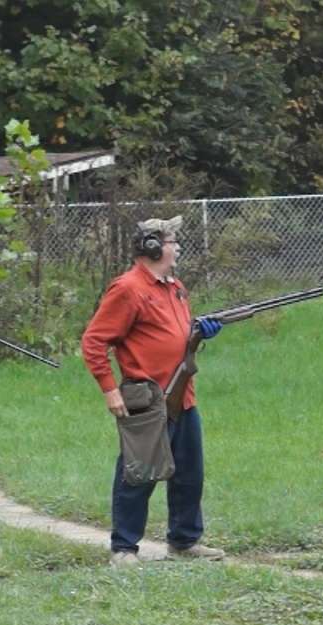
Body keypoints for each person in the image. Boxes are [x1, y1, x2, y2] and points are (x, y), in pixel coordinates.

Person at [81, 216, 227, 566]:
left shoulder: (174, 286)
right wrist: (109, 390)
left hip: (182, 395)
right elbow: (94, 341)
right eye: (173, 241)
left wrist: (199, 332)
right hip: (147, 397)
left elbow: (176, 335)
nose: (178, 248)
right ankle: (124, 548)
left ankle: (184, 542)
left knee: (189, 473)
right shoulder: (128, 288)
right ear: (153, 247)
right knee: (139, 472)